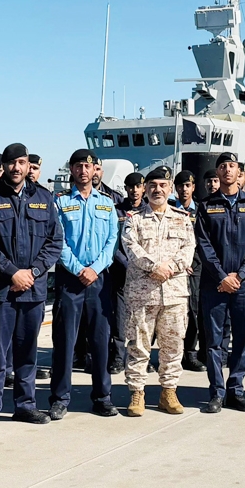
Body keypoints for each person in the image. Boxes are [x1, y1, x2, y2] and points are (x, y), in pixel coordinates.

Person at [0, 143, 62, 430]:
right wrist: (12, 272)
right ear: (3, 166)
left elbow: (54, 241)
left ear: (28, 166)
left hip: (32, 289)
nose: (16, 168)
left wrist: (33, 272)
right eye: (11, 163)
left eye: (22, 162)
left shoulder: (44, 197)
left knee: (27, 352)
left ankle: (26, 405)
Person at [49, 149, 119, 420]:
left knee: (101, 341)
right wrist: (79, 269)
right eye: (78, 166)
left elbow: (112, 240)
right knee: (65, 341)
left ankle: (102, 397)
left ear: (95, 170)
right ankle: (60, 398)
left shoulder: (107, 204)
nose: (83, 171)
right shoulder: (60, 203)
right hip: (71, 279)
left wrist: (95, 269)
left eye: (87, 166)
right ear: (72, 170)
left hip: (99, 280)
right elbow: (58, 240)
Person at [195, 152, 245, 413]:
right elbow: (204, 246)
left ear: (240, 173)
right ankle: (217, 392)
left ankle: (236, 390)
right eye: (223, 166)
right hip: (215, 285)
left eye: (232, 166)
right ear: (218, 172)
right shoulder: (206, 206)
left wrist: (240, 275)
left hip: (244, 286)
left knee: (242, 339)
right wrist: (222, 276)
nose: (227, 170)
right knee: (214, 342)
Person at [120, 166, 195, 416]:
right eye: (152, 186)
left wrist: (170, 268)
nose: (157, 190)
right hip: (142, 295)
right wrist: (154, 267)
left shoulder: (182, 218)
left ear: (170, 188)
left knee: (172, 346)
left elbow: (188, 249)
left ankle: (168, 392)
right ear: (145, 189)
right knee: (138, 346)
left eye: (163, 185)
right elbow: (131, 248)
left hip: (174, 294)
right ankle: (137, 392)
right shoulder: (134, 219)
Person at [102, 172, 147, 374]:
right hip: (121, 273)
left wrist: (143, 265)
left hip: (145, 275)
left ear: (143, 188)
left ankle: (142, 358)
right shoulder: (117, 210)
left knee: (143, 319)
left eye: (138, 186)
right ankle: (119, 357)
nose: (134, 190)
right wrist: (129, 264)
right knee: (120, 318)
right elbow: (113, 242)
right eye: (131, 187)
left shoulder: (149, 210)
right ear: (126, 189)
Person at [171, 170, 206, 373]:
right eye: (180, 186)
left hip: (195, 268)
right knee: (172, 312)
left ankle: (190, 353)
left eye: (187, 186)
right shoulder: (168, 209)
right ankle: (173, 353)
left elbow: (204, 241)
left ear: (193, 187)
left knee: (193, 311)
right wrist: (178, 262)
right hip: (173, 269)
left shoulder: (200, 210)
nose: (184, 190)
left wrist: (194, 263)